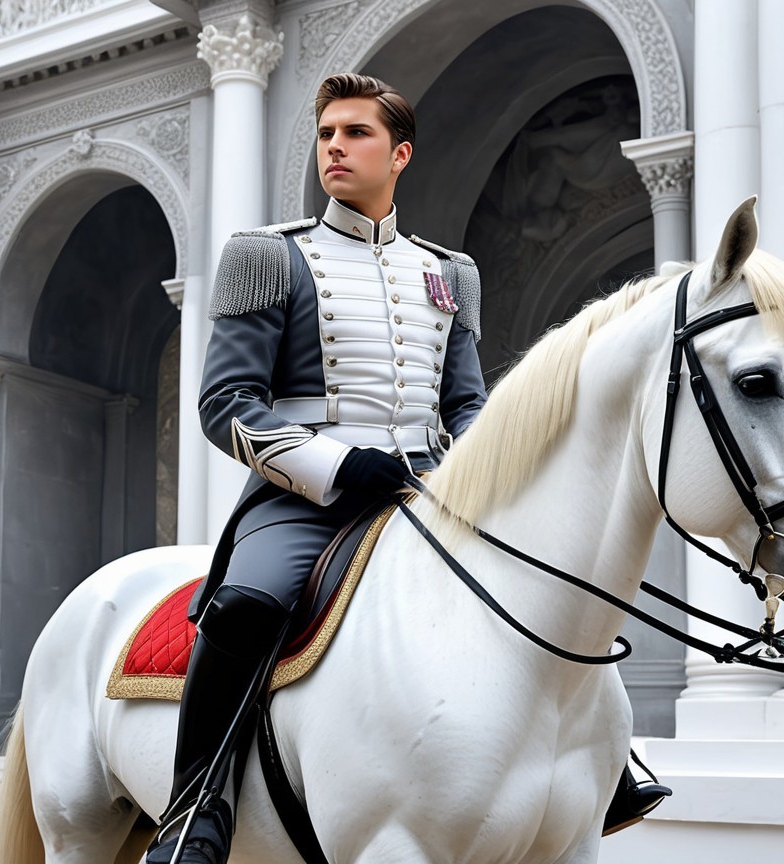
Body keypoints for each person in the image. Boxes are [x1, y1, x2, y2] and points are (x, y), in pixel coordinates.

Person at [146, 72, 665, 864]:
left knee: (552, 592)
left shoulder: (450, 273)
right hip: (305, 496)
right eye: (326, 134)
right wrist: (335, 464)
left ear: (401, 154)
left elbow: (465, 404)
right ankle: (195, 806)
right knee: (250, 601)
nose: (334, 148)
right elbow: (228, 403)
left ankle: (603, 764)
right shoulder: (267, 256)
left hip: (430, 490)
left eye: (355, 134)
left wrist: (479, 474)